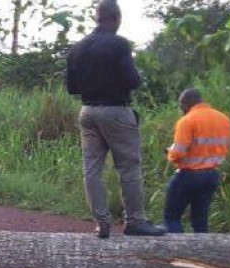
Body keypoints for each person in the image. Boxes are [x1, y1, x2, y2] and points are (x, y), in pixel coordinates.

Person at [66, 0, 165, 238]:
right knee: (129, 167)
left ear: (96, 18)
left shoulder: (77, 48)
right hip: (116, 111)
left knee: (92, 169)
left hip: (87, 111)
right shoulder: (119, 44)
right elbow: (133, 81)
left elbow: (72, 88)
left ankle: (102, 223)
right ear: (117, 18)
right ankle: (135, 221)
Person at [163, 88, 230, 233]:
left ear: (185, 104)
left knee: (172, 217)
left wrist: (170, 154)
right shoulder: (223, 119)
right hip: (212, 175)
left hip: (189, 174)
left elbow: (179, 153)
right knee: (200, 220)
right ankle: (202, 253)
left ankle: (177, 252)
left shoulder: (187, 121)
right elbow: (226, 147)